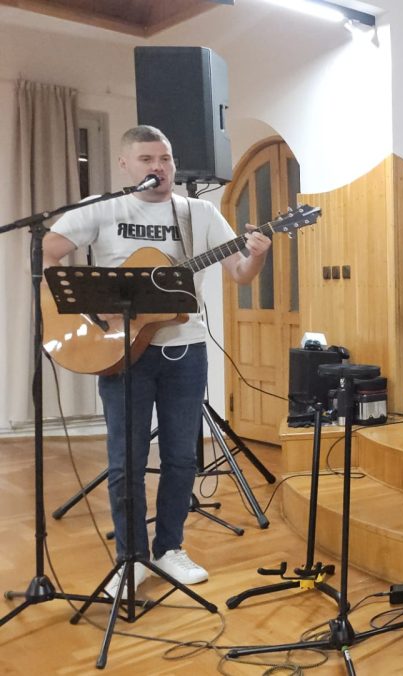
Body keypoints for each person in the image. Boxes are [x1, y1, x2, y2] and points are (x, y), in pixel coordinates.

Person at [43, 125, 272, 597]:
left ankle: (170, 548)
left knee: (182, 457)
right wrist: (91, 308)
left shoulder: (198, 213)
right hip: (121, 352)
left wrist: (257, 256)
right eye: (147, 159)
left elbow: (241, 274)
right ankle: (131, 560)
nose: (159, 167)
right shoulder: (105, 208)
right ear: (125, 165)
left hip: (186, 351)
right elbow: (47, 248)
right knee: (125, 460)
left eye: (165, 159)